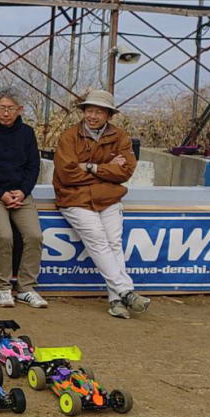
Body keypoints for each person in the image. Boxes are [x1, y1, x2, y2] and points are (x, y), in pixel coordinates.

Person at [53, 88, 150, 319]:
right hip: (75, 198)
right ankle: (126, 291)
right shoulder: (69, 136)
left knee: (114, 243)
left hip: (108, 198)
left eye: (99, 112)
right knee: (98, 239)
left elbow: (125, 171)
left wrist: (90, 167)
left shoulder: (120, 136)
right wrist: (107, 170)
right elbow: (66, 174)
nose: (92, 116)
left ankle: (116, 300)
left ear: (109, 115)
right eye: (89, 110)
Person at [0, 85, 48, 309]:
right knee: (4, 236)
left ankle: (26, 288)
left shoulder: (27, 133)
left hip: (21, 194)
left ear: (20, 110)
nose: (6, 113)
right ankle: (3, 287)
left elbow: (33, 166)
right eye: (2, 108)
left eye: (11, 108)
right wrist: (1, 194)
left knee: (34, 236)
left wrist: (22, 191)